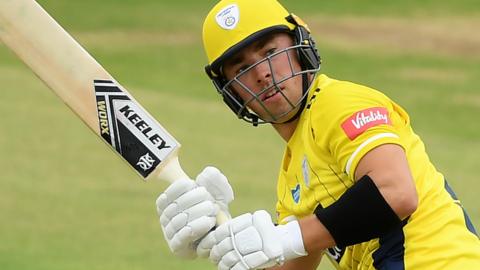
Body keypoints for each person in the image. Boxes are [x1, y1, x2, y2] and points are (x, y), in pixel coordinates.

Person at [156, 0, 480, 269]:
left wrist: (284, 237)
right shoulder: (292, 180)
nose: (261, 74)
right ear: (231, 92)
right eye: (241, 69)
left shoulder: (339, 103)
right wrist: (221, 234)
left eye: (269, 52)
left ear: (300, 49)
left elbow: (396, 193)